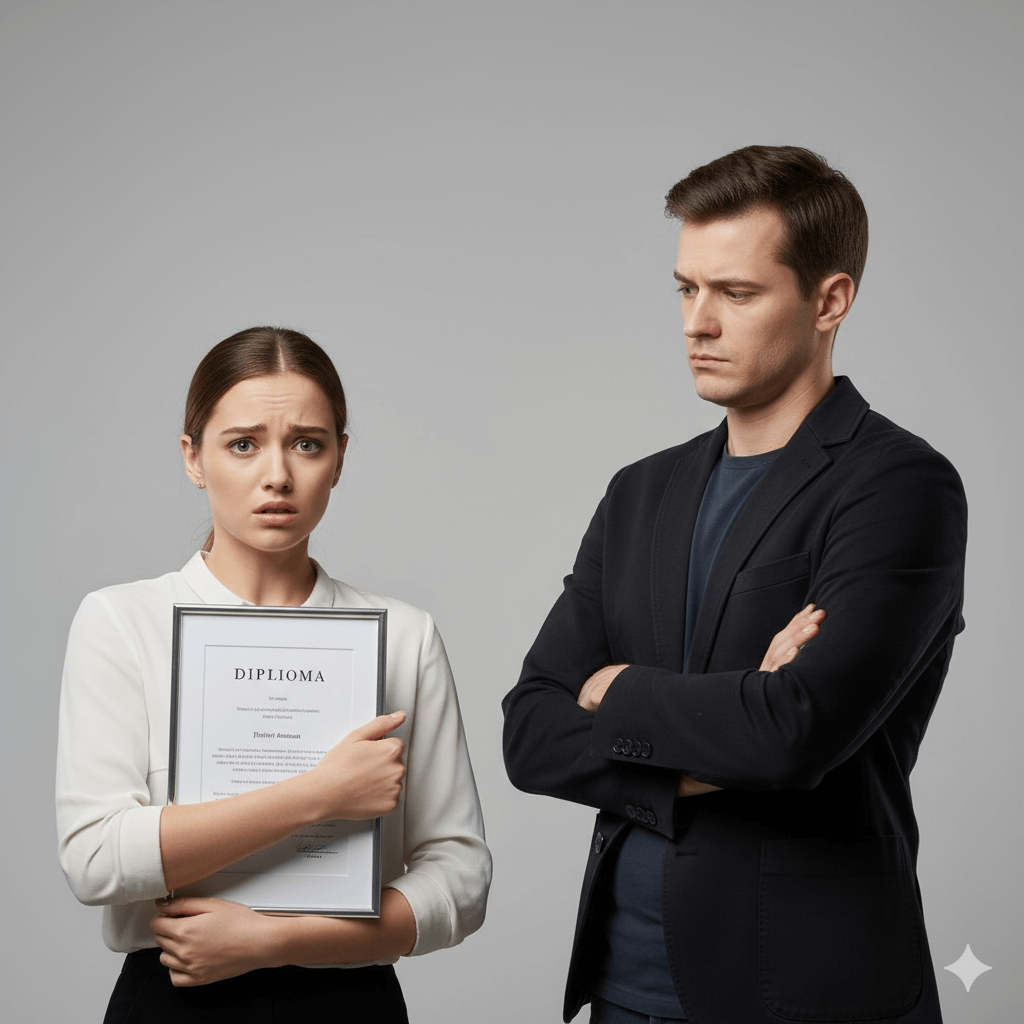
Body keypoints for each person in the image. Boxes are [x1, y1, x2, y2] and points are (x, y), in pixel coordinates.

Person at [502, 146, 966, 1024]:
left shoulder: (900, 486)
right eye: (686, 289)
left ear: (829, 301)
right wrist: (738, 708)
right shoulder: (640, 490)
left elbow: (795, 732)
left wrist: (617, 692)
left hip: (806, 996)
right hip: (619, 992)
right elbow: (531, 732)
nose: (697, 324)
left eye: (737, 294)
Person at [57, 326, 491, 1023]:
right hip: (173, 995)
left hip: (351, 1000)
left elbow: (462, 879)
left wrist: (276, 940)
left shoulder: (404, 635)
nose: (278, 475)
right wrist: (319, 794)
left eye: (307, 443)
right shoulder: (121, 622)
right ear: (193, 458)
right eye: (243, 444)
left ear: (340, 458)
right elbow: (95, 857)